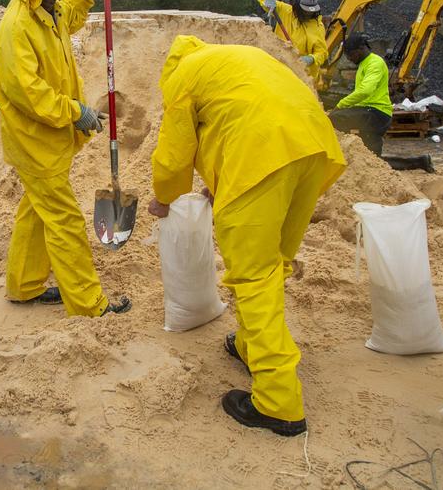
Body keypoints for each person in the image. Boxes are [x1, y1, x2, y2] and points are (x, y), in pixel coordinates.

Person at [147, 35, 345, 436]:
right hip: (312, 149)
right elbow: (241, 116)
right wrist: (221, 182)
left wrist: (164, 198)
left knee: (254, 276)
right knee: (274, 261)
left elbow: (175, 151)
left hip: (261, 156)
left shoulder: (183, 76)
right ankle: (253, 346)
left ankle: (277, 403)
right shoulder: (238, 60)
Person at [0, 0, 130, 317]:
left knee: (36, 211)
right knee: (64, 219)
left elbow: (75, 11)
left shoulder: (50, 13)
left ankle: (24, 286)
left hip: (50, 140)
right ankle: (88, 305)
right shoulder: (17, 27)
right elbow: (30, 94)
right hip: (34, 141)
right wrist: (74, 111)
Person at [327, 33, 394, 156]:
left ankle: (341, 152)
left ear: (361, 48)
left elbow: (365, 91)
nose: (349, 59)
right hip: (369, 110)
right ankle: (421, 161)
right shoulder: (365, 63)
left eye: (350, 54)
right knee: (373, 158)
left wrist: (341, 104)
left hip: (377, 112)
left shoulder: (375, 63)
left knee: (335, 118)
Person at [257, 0, 327, 83]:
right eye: (305, 10)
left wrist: (311, 59)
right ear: (298, 6)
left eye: (311, 11)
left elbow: (322, 53)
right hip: (280, 66)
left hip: (303, 75)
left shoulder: (318, 27)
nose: (308, 13)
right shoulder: (285, 11)